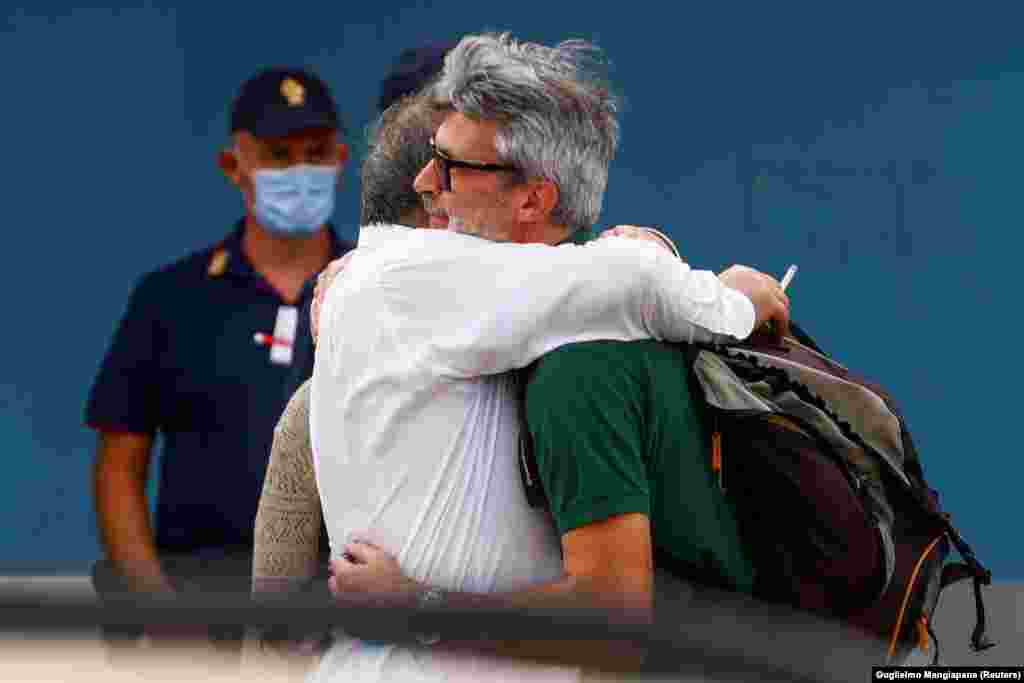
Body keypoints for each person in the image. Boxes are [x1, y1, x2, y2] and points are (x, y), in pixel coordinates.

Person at [311, 33, 789, 682]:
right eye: (431, 157)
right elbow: (629, 275)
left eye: (452, 167)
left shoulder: (577, 362)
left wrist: (417, 607)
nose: (427, 185)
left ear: (534, 199)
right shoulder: (533, 302)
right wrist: (738, 295)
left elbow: (610, 623)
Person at [85, 66, 354, 652]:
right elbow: (118, 467)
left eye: (314, 153)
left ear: (341, 157)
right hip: (198, 610)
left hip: (347, 618)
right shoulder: (170, 298)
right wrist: (157, 610)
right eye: (278, 155)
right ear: (234, 166)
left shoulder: (377, 291)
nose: (297, 172)